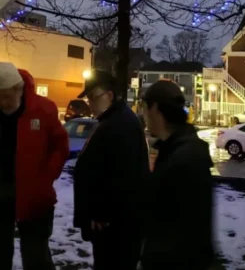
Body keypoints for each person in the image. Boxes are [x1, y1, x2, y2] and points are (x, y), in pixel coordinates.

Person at [0, 61, 70, 270]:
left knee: (36, 255)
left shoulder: (43, 109)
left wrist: (46, 178)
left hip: (35, 196)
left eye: (7, 97)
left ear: (19, 90)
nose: (2, 102)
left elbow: (60, 146)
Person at [73, 71, 149, 270]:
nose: (90, 103)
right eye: (88, 98)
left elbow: (121, 177)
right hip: (112, 226)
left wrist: (102, 214)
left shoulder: (120, 124)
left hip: (116, 229)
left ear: (110, 95)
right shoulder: (112, 121)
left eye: (93, 97)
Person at [141, 79, 215, 270]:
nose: (143, 115)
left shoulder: (183, 158)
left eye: (144, 108)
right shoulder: (176, 148)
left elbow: (180, 226)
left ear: (155, 108)